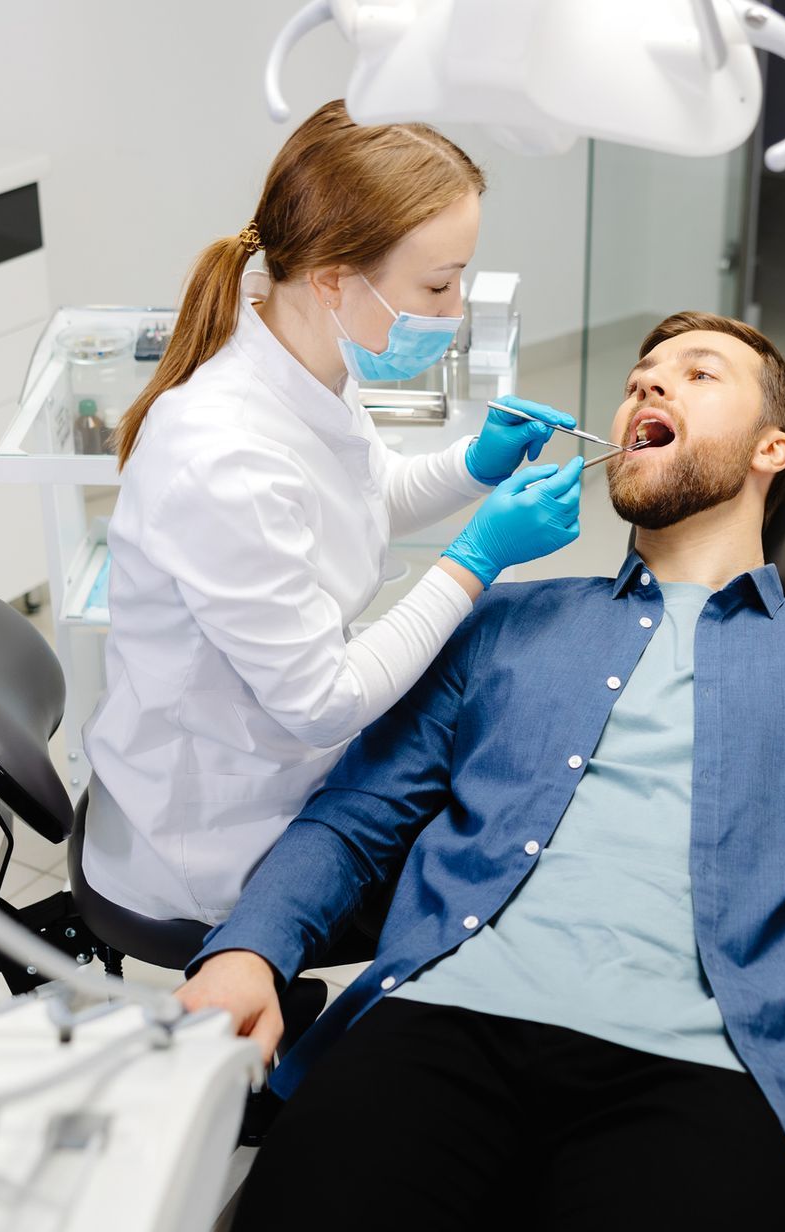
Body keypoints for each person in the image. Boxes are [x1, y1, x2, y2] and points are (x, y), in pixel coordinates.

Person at [177, 310, 785, 1232]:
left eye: (698, 375)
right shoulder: (505, 620)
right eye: (640, 376)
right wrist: (251, 947)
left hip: (713, 1073)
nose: (647, 387)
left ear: (771, 449)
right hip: (441, 1028)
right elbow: (356, 817)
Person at [81, 101, 587, 928]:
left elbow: (358, 498)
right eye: (437, 283)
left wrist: (475, 464)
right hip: (218, 832)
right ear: (334, 280)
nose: (456, 308)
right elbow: (321, 702)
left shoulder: (305, 356)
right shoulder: (222, 458)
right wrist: (476, 558)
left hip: (273, 755)